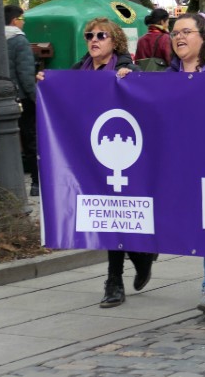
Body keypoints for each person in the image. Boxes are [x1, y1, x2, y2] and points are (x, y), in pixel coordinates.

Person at [120, 12, 205, 318]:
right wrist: (130, 83)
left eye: (186, 31)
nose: (178, 37)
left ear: (204, 36)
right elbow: (151, 102)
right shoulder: (170, 75)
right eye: (175, 32)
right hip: (187, 164)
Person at [41, 18, 156, 308]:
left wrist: (129, 81)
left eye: (101, 35)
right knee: (106, 216)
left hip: (123, 155)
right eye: (89, 35)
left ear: (114, 41)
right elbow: (63, 100)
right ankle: (136, 260)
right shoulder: (79, 71)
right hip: (91, 156)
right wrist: (46, 84)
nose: (94, 40)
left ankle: (116, 278)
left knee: (116, 214)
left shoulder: (127, 69)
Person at [0, 5, 39, 196]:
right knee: (30, 140)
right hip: (22, 99)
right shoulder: (20, 42)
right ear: (15, 20)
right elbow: (26, 74)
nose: (23, 23)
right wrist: (35, 97)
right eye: (23, 20)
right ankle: (37, 183)